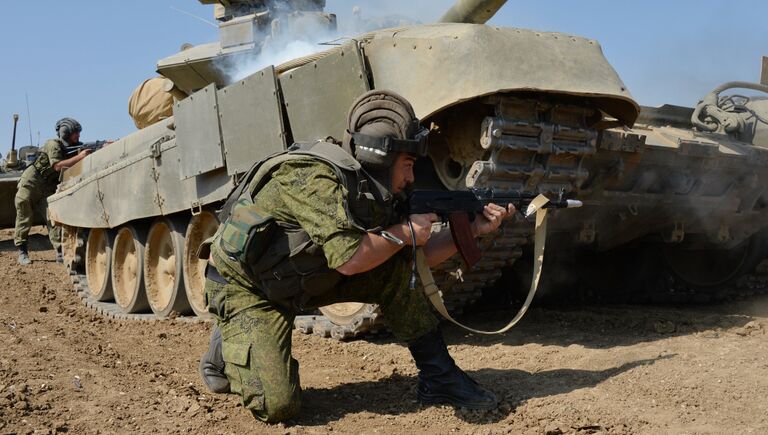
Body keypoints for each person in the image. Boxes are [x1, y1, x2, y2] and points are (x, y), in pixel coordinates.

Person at [198, 90, 514, 422]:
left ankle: (439, 377)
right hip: (251, 288)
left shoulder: (375, 188)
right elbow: (350, 258)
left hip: (304, 277)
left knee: (395, 268)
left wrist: (474, 229)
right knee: (277, 406)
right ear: (381, 158)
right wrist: (404, 232)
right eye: (407, 165)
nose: (410, 177)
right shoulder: (312, 178)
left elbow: (417, 260)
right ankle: (228, 334)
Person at [14, 118, 92, 265]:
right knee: (24, 214)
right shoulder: (53, 144)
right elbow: (57, 166)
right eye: (76, 133)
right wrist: (80, 157)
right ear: (66, 133)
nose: (78, 137)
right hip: (31, 182)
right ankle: (22, 251)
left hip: (48, 187)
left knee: (53, 217)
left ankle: (59, 252)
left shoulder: (73, 148)